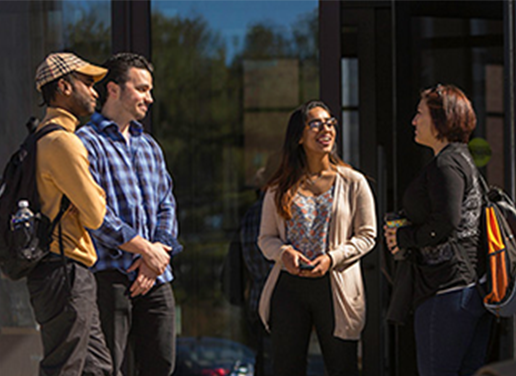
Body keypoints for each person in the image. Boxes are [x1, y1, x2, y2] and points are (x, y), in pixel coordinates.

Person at [76, 52, 179, 376]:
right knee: (110, 368)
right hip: (110, 276)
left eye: (149, 90)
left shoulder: (150, 146)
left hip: (157, 276)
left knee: (161, 364)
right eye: (142, 89)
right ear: (114, 90)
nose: (149, 98)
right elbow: (95, 215)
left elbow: (167, 204)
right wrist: (143, 248)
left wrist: (156, 253)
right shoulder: (85, 143)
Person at [257, 100, 377, 376]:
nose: (326, 128)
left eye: (330, 122)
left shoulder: (353, 182)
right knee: (286, 369)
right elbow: (266, 239)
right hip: (289, 286)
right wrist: (283, 253)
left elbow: (368, 235)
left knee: (342, 368)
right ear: (299, 136)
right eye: (316, 123)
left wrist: (332, 258)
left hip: (335, 287)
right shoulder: (279, 187)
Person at [384, 84, 493, 376]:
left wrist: (403, 237)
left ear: (441, 119)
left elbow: (446, 223)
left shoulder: (447, 164)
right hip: (466, 289)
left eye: (420, 114)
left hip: (447, 290)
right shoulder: (461, 159)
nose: (414, 121)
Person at [30, 52, 113, 375]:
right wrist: (97, 191)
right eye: (88, 83)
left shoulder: (39, 137)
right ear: (64, 87)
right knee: (65, 368)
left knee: (99, 369)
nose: (95, 91)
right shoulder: (63, 143)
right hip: (64, 271)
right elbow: (95, 214)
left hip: (59, 272)